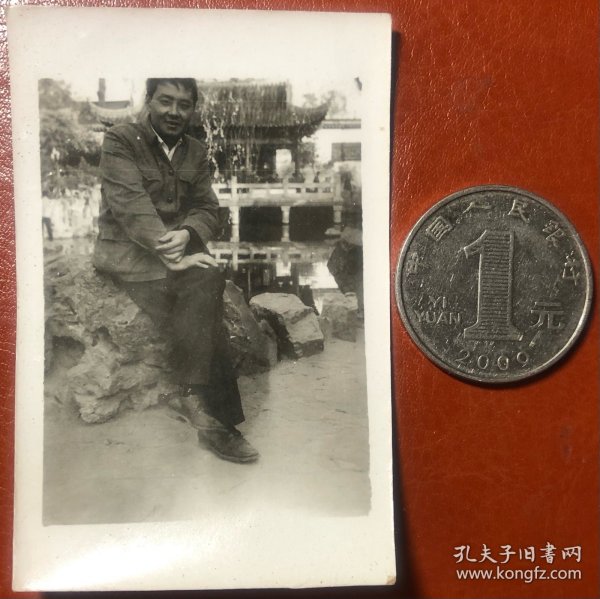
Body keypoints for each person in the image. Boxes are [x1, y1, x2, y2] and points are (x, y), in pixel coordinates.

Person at [93, 78, 258, 464]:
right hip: (130, 254)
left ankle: (199, 404)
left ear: (193, 109)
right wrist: (169, 251)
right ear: (148, 101)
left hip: (177, 249)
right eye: (165, 101)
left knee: (207, 279)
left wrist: (187, 234)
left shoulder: (194, 151)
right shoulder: (121, 139)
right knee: (203, 299)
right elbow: (129, 203)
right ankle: (209, 415)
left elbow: (208, 207)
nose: (174, 112)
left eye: (184, 105)